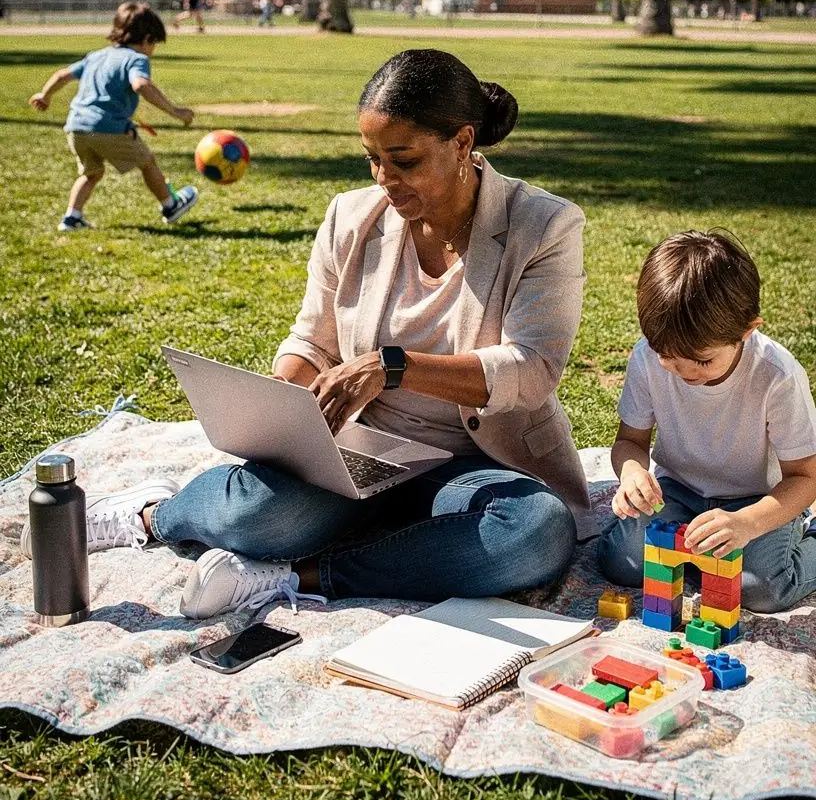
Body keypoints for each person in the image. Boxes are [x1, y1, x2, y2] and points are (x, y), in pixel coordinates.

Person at [52, 48, 596, 617]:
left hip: (475, 464)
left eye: (403, 160)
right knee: (253, 514)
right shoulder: (350, 218)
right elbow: (313, 340)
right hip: (357, 452)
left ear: (462, 143)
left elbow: (531, 371)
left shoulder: (545, 225)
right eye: (372, 159)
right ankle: (152, 515)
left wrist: (393, 366)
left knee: (535, 533)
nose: (384, 179)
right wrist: (281, 407)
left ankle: (294, 576)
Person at [598, 230, 816, 612]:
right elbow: (629, 441)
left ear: (747, 331)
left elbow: (805, 477)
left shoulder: (776, 375)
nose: (684, 371)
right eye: (668, 356)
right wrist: (631, 473)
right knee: (622, 561)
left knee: (760, 589)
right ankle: (706, 557)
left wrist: (747, 523)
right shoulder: (647, 358)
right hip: (678, 492)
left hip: (759, 501)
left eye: (701, 360)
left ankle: (804, 536)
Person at [28, 1, 199, 232]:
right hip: (110, 129)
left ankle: (71, 217)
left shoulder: (96, 56)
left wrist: (45, 95)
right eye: (155, 43)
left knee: (91, 173)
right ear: (148, 39)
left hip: (76, 127)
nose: (153, 49)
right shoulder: (137, 59)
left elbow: (62, 75)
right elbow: (141, 85)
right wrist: (176, 111)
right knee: (147, 163)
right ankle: (170, 205)